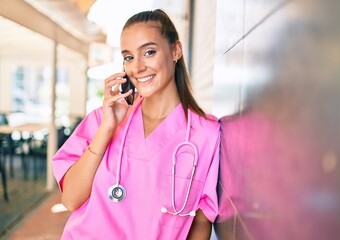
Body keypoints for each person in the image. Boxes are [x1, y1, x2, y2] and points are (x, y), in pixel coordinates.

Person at [53, 9, 220, 239]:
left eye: (149, 52)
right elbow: (71, 200)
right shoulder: (103, 119)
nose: (137, 67)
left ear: (176, 50)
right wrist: (107, 130)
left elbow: (201, 221)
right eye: (128, 57)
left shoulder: (205, 135)